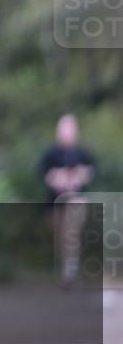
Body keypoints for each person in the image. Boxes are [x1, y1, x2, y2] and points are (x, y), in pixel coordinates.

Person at [36, 113, 97, 288]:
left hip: (76, 200)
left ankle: (70, 269)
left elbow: (92, 171)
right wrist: (54, 177)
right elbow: (41, 172)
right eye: (64, 130)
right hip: (54, 202)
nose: (67, 133)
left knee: (71, 232)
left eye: (70, 130)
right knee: (60, 234)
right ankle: (67, 265)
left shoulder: (83, 153)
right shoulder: (50, 153)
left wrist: (81, 175)